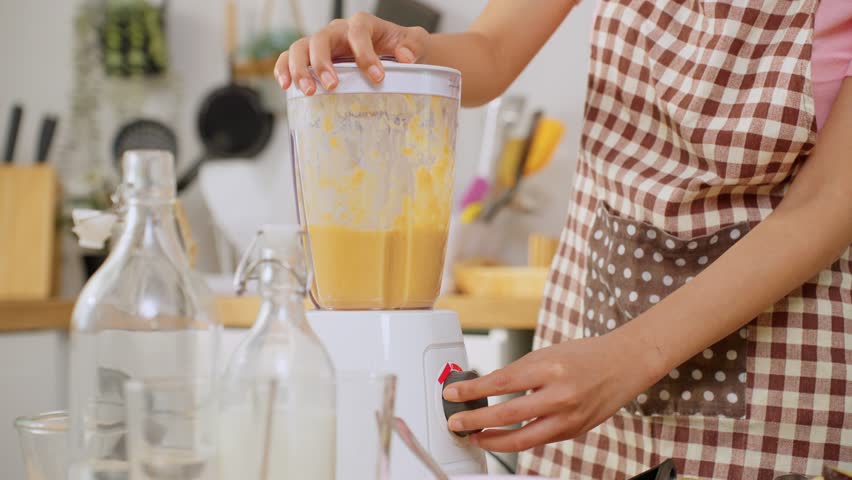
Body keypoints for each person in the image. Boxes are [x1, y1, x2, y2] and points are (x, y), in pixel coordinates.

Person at [274, 1, 852, 478]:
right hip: (593, 325)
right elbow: (490, 52)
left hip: (780, 358)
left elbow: (825, 207)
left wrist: (628, 357)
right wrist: (405, 51)